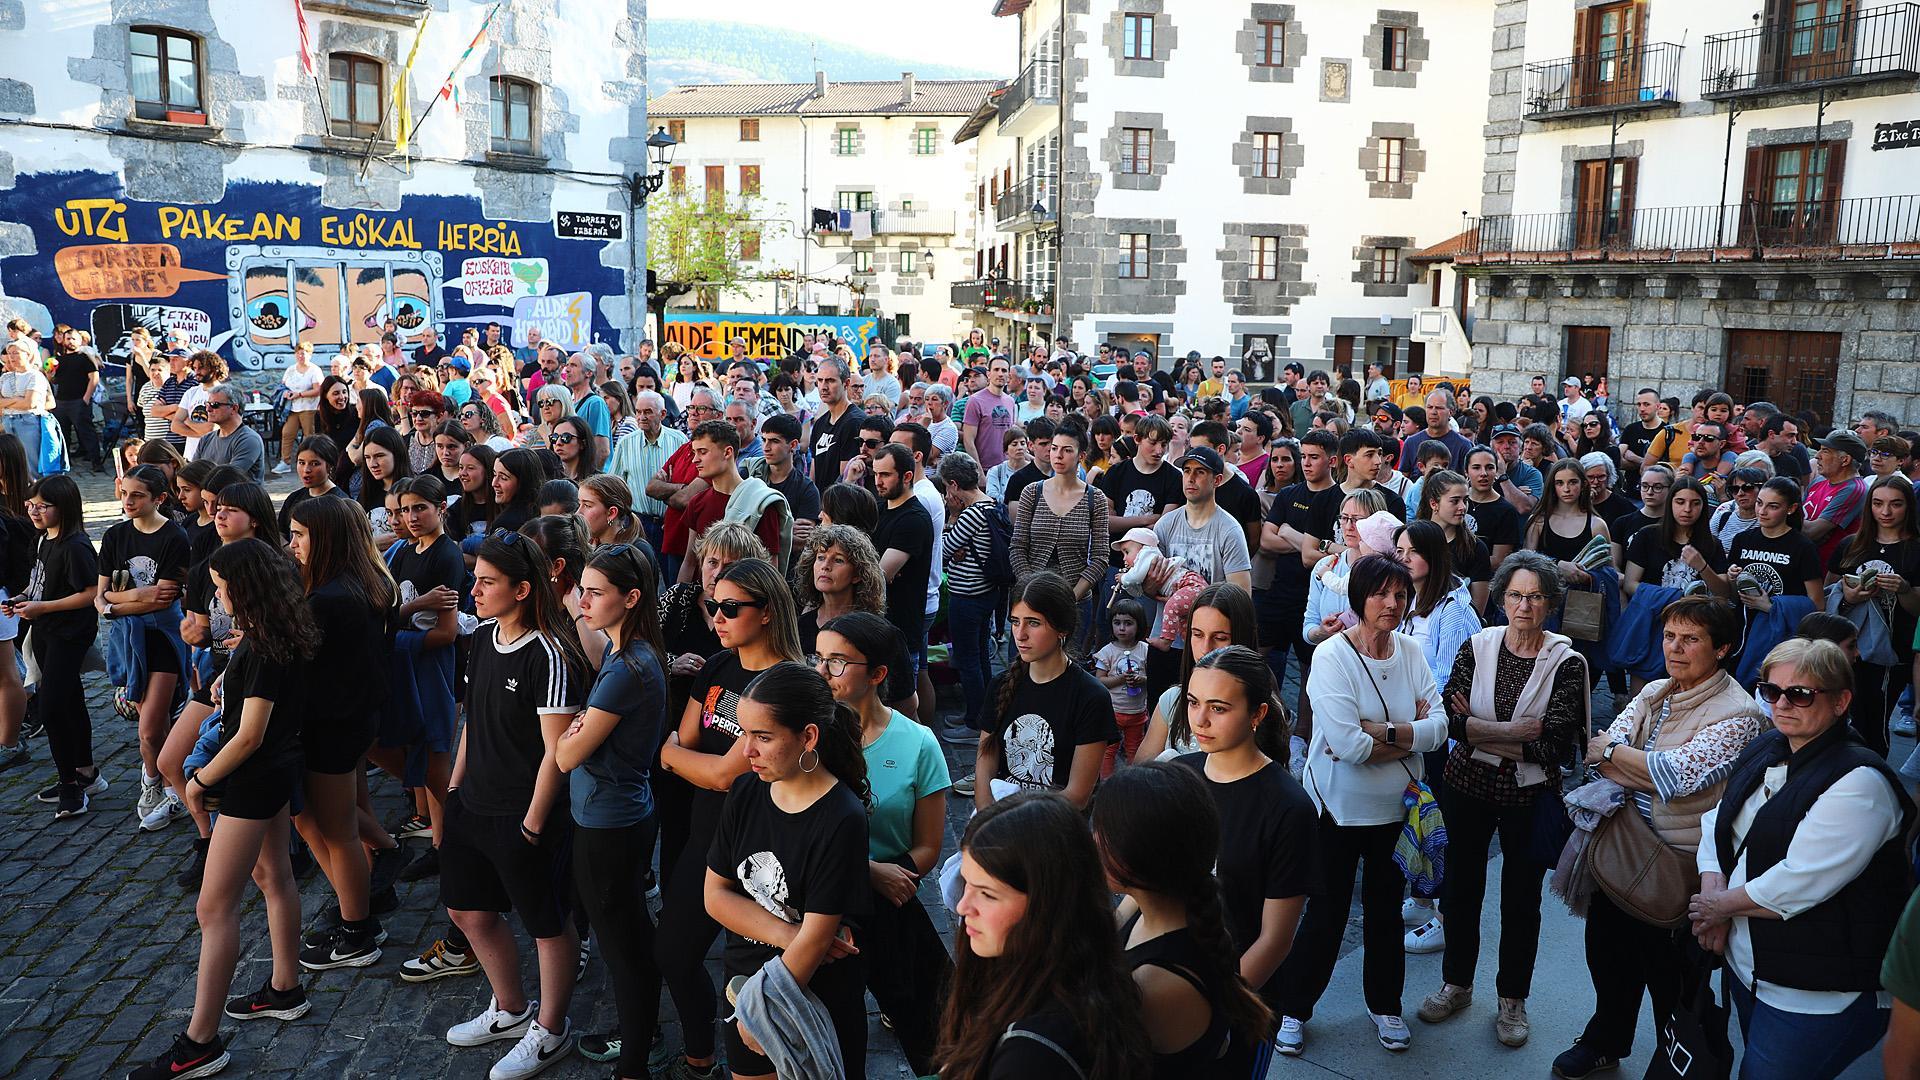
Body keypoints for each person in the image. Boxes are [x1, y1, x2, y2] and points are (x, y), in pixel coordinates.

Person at [123, 539, 317, 1080]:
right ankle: (285, 985)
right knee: (275, 876)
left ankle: (199, 1042)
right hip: (273, 772)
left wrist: (201, 779)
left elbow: (249, 734)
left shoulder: (260, 649)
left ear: (245, 590)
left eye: (224, 589)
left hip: (251, 781)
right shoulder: (276, 636)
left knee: (214, 908)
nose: (219, 598)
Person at [1552, 595, 1768, 1080]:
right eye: (1670, 636)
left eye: (1691, 639)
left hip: (1680, 865)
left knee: (1670, 978)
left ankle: (1675, 1062)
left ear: (1724, 648)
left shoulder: (1740, 714)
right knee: (1607, 954)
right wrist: (1618, 756)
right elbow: (1597, 752)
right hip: (1623, 847)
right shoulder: (1655, 689)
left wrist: (1616, 755)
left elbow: (1671, 775)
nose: (1676, 647)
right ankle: (1606, 1040)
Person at [1690, 638, 1914, 1080]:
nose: (1782, 704)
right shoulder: (1770, 746)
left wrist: (1715, 908)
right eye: (1771, 691)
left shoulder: (1860, 783)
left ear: (1841, 701)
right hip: (1749, 965)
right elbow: (1718, 820)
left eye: (1800, 693)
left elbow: (1798, 881)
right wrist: (1712, 887)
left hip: (1814, 992)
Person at [1280, 554, 1448, 1056]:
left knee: (1383, 913)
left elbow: (1439, 731)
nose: (1392, 604)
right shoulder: (1332, 656)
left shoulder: (1412, 652)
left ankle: (1386, 1005)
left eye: (1400, 594)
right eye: (1380, 593)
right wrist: (1408, 737)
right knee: (1326, 914)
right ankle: (1294, 1007)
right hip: (1338, 810)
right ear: (1359, 597)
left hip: (1396, 810)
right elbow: (1347, 747)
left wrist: (1383, 733)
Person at [437, 531, 591, 1078]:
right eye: (474, 578)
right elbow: (473, 722)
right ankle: (509, 1007)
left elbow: (557, 754)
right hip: (472, 803)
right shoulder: (481, 639)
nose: (473, 589)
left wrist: (531, 824)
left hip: (524, 815)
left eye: (487, 582)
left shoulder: (550, 653)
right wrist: (453, 791)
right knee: (467, 910)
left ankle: (551, 1029)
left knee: (548, 925)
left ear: (523, 589)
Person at [1417, 552, 1586, 1047]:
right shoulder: (1478, 645)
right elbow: (1451, 723)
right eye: (1515, 594)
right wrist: (1513, 731)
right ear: (1501, 596)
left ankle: (1513, 999)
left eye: (1535, 596)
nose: (1524, 605)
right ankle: (1457, 984)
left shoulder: (1568, 662)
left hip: (1529, 795)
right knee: (1461, 889)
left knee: (1520, 900)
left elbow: (1552, 745)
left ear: (1550, 603)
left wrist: (1479, 730)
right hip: (1466, 786)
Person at [656, 557, 801, 1080]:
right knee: (673, 952)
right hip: (706, 837)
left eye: (729, 608)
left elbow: (715, 770)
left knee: (756, 977)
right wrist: (683, 755)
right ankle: (700, 1058)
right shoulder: (718, 667)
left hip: (764, 850)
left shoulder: (786, 683)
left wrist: (674, 756)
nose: (715, 616)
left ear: (766, 612)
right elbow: (692, 745)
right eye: (712, 604)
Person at [813, 611, 952, 1074]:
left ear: (877, 674)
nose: (821, 672)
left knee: (934, 1021)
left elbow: (930, 845)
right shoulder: (805, 737)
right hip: (824, 904)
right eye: (818, 659)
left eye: (837, 662)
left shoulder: (918, 744)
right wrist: (867, 872)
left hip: (892, 899)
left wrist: (892, 875)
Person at [941, 792, 1150, 1080]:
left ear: (1048, 905)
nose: (963, 907)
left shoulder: (1032, 1056)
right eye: (967, 884)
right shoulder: (1083, 973)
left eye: (987, 894)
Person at [1174, 645, 1312, 1071]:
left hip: (1239, 1004)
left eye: (1219, 707)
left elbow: (1275, 939)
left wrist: (1214, 1005)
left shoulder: (1288, 807)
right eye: (1194, 703)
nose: (1200, 720)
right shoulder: (1181, 776)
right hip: (1169, 979)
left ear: (1257, 714)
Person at [560, 544, 668, 1080]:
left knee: (622, 944)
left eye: (595, 592)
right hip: (616, 812)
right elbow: (596, 645)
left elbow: (564, 754)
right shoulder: (628, 650)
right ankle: (641, 1037)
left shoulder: (631, 668)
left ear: (630, 598)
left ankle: (635, 1060)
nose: (583, 599)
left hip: (609, 822)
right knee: (627, 934)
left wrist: (577, 723)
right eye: (582, 588)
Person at [1094, 760, 1275, 1078]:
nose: (1093, 841)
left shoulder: (1157, 983)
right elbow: (1115, 920)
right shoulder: (1182, 902)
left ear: (1136, 857)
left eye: (1102, 832)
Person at [289, 494, 397, 972]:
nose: (290, 544)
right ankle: (363, 900)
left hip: (333, 726)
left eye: (298, 535)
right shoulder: (363, 581)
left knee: (338, 831)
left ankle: (357, 930)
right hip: (352, 720)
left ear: (325, 540)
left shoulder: (329, 599)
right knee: (329, 823)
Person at [100, 464, 192, 831]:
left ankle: (164, 785)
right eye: (125, 493)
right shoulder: (114, 536)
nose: (128, 501)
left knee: (151, 728)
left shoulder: (174, 537)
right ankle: (160, 778)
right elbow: (101, 594)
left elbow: (163, 600)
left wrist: (114, 603)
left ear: (160, 498)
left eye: (137, 495)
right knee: (149, 726)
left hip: (163, 637)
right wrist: (133, 595)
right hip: (128, 639)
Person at [975, 572, 1116, 810]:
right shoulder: (1001, 684)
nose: (1020, 635)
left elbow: (1078, 796)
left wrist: (1010, 819)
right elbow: (985, 760)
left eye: (1033, 622)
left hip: (1055, 830)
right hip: (998, 826)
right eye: (1015, 621)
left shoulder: (1090, 696)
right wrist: (985, 814)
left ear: (1062, 629)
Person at [14, 475, 99, 818]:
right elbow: (40, 582)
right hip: (46, 631)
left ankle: (70, 787)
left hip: (70, 634)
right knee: (72, 701)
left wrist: (43, 607)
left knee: (50, 707)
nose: (34, 511)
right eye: (30, 504)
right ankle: (86, 773)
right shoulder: (42, 539)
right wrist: (23, 598)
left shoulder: (75, 546)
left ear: (63, 507)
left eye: (42, 506)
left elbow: (91, 592)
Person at [1825, 473, 1920, 756]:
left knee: (1875, 724)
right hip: (1846, 647)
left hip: (1893, 652)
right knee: (1842, 717)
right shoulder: (1851, 544)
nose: (1886, 512)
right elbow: (1828, 593)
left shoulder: (1915, 549)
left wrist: (1903, 589)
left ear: (1908, 507)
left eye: (1896, 504)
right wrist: (1848, 596)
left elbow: (1917, 609)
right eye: (1878, 504)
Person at [1726, 478, 1826, 612]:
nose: (1762, 511)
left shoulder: (1803, 547)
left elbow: (1817, 604)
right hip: (1744, 625)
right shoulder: (1742, 539)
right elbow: (1732, 596)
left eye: (1773, 506)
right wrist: (1732, 578)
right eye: (1759, 503)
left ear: (1791, 508)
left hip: (1782, 629)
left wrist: (1771, 607)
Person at [1622, 475, 1729, 599]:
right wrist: (1670, 597)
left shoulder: (1712, 543)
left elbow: (1724, 593)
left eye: (1695, 503)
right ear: (1670, 503)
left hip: (1696, 614)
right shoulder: (1646, 535)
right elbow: (1629, 584)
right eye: (1680, 502)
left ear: (1703, 507)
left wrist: (1703, 567)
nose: (1687, 509)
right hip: (1654, 611)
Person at [192, 386, 266, 483]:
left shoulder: (248, 440)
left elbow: (227, 479)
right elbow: (192, 473)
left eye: (215, 405)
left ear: (234, 408)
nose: (208, 409)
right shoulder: (206, 439)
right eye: (207, 404)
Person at [275, 342, 325, 476]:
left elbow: (318, 390)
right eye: (298, 353)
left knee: (309, 435)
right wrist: (285, 392)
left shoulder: (314, 370)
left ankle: (312, 461)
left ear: (310, 354)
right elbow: (283, 385)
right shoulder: (291, 369)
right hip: (292, 407)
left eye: (303, 353)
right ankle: (285, 462)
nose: (300, 356)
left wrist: (300, 394)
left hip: (309, 407)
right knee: (287, 433)